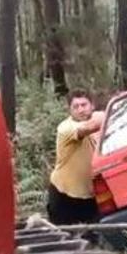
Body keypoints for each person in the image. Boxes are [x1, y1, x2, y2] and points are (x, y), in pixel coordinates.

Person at [47, 89, 105, 226]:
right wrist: (108, 113)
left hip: (90, 195)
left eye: (84, 105)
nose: (80, 110)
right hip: (64, 195)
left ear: (92, 106)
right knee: (64, 238)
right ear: (70, 110)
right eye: (76, 107)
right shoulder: (66, 128)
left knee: (95, 237)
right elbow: (89, 127)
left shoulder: (97, 123)